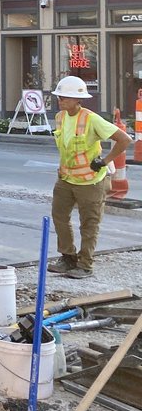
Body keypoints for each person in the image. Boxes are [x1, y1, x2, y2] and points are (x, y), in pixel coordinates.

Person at [48, 76, 130, 279]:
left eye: (65, 97)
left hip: (91, 182)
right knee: (59, 218)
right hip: (66, 179)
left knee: (89, 224)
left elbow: (124, 139)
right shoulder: (60, 117)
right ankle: (68, 258)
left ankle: (85, 265)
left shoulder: (91, 118)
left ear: (78, 100)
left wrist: (104, 161)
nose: (61, 100)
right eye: (60, 97)